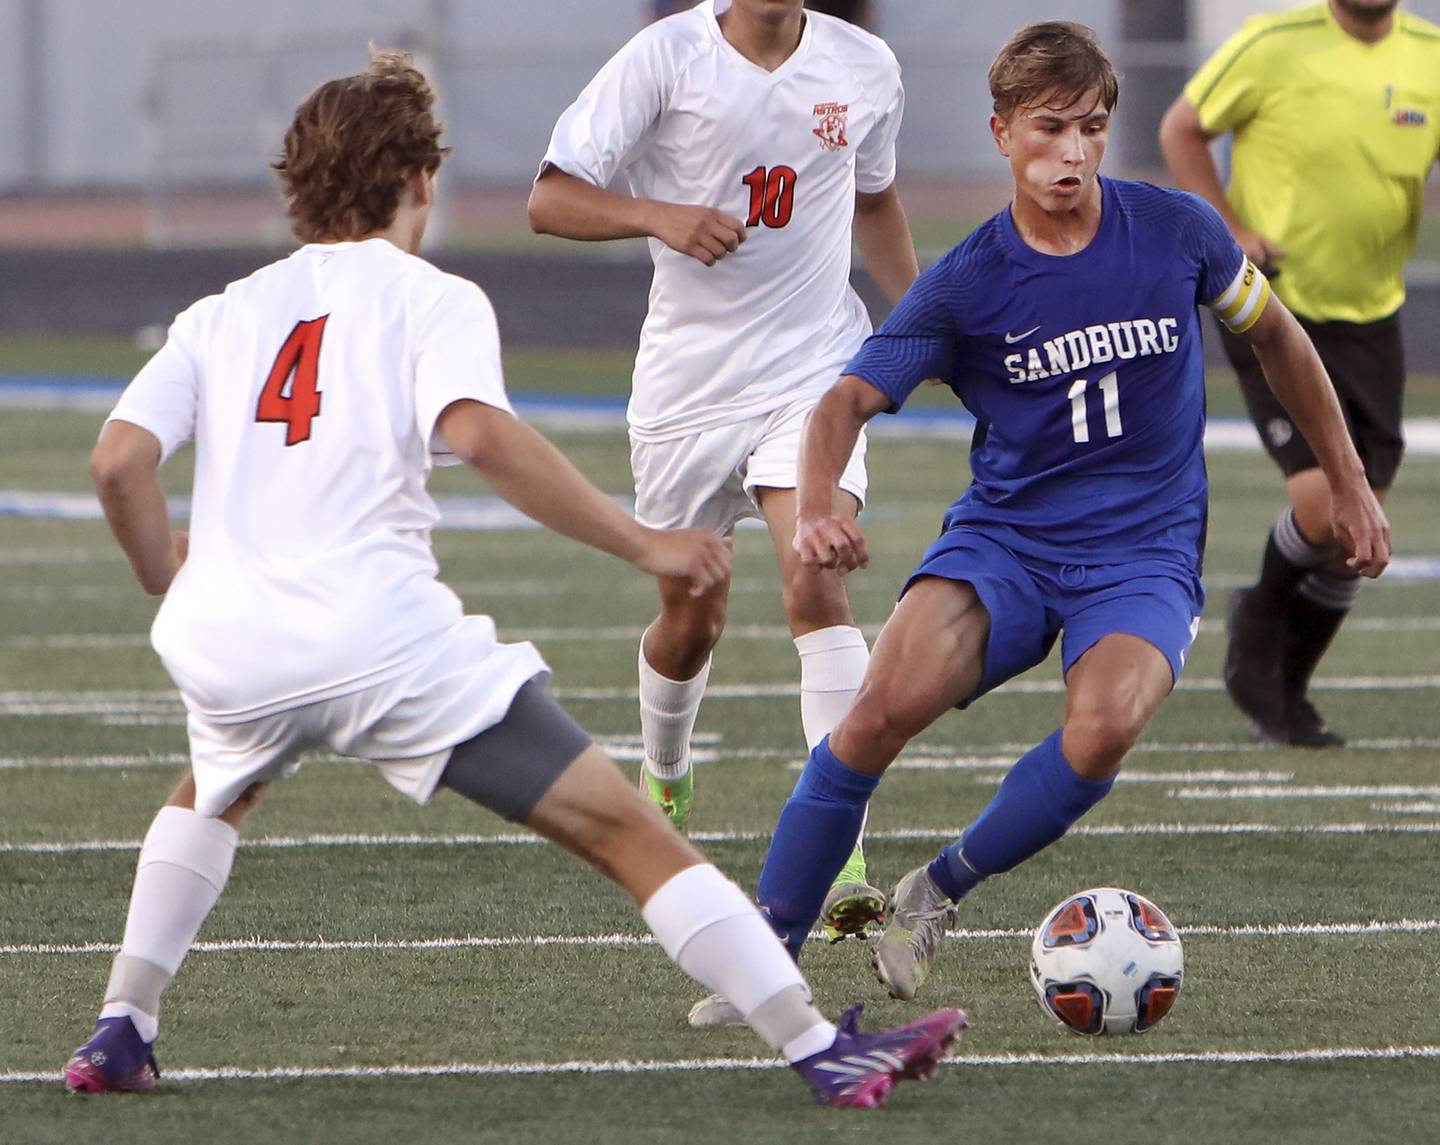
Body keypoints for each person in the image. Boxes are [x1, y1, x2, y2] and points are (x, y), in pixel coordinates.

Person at [60, 50, 965, 1109]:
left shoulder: (221, 312)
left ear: (298, 183)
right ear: (420, 182)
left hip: (226, 643)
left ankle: (123, 1021)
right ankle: (819, 1044)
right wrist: (646, 544)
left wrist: (168, 569)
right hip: (380, 645)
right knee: (628, 829)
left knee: (216, 786)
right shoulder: (430, 298)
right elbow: (482, 436)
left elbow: (117, 461)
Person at [746, 20, 1391, 1003]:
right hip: (1006, 543)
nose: (1072, 152)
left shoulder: (1178, 228)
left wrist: (1345, 478)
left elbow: (1281, 342)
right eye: (1049, 128)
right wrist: (818, 506)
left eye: (1090, 127)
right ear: (1002, 132)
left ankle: (938, 887)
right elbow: (841, 403)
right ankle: (761, 959)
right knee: (872, 716)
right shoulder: (966, 282)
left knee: (1103, 730)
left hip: (1143, 551)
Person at [528, 0, 920, 960]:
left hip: (814, 375)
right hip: (686, 394)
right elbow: (549, 197)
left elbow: (874, 198)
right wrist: (658, 214)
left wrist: (920, 321)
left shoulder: (866, 67)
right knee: (691, 613)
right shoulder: (665, 59)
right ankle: (666, 770)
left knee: (814, 579)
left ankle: (846, 861)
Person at [1159, 0, 1440, 747]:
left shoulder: (1429, 54)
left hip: (1372, 311)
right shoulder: (1273, 42)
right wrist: (1228, 229)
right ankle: (1256, 624)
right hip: (1272, 308)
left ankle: (1286, 694)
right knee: (1323, 507)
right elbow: (1180, 129)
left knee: (1359, 533)